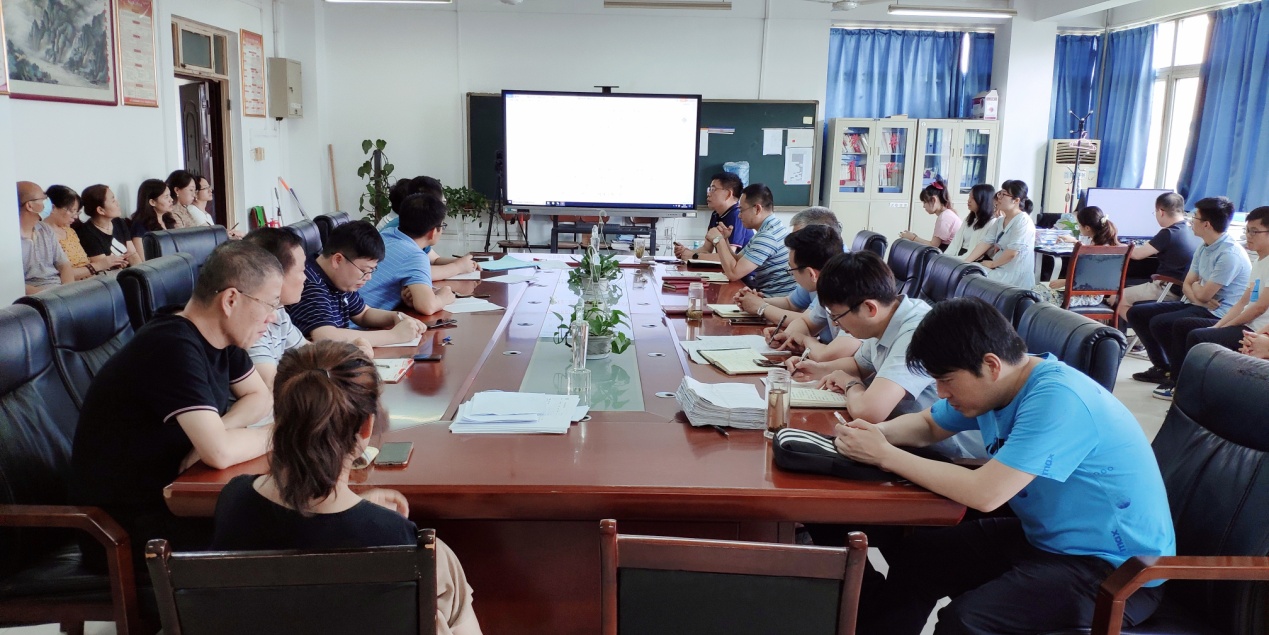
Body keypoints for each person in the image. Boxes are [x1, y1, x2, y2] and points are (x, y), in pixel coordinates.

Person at [833, 296, 1173, 635]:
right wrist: (873, 435)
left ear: (991, 365)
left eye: (946, 380)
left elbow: (986, 493)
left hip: (1118, 573)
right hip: (1045, 539)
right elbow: (929, 425)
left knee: (965, 621)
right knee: (919, 559)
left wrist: (885, 455)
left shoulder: (1058, 399)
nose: (940, 392)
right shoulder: (1002, 387)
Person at [210, 341, 482, 635]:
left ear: (279, 418)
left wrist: (363, 512)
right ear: (366, 428)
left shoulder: (234, 500)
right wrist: (368, 517)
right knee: (444, 568)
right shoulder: (396, 538)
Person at [71, 241, 281, 571]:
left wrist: (219, 431)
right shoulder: (171, 346)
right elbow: (220, 453)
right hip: (123, 530)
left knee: (282, 520)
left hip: (170, 501)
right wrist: (285, 432)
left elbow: (259, 396)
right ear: (230, 300)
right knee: (282, 529)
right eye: (270, 304)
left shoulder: (219, 335)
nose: (273, 317)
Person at [1127, 196, 1250, 395]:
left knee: (1164, 323)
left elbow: (1204, 293)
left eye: (1194, 218)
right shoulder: (1204, 246)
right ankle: (1163, 367)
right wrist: (1197, 292)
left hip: (1218, 312)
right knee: (1137, 313)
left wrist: (1197, 290)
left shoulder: (1229, 254)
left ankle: (1177, 378)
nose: (1190, 221)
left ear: (1207, 224)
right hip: (1199, 304)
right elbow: (1187, 284)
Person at [1146, 206, 1269, 401]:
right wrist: (1220, 327)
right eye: (1247, 230)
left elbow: (1259, 307)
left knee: (1197, 336)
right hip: (1244, 324)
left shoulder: (1237, 255)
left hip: (1255, 329)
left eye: (1254, 231)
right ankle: (1177, 382)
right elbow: (1242, 303)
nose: (1248, 235)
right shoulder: (1259, 262)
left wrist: (1225, 327)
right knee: (1181, 326)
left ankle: (1187, 392)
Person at [286, 220, 428, 346]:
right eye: (364, 270)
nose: (368, 277)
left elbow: (363, 314)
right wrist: (394, 336)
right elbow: (325, 336)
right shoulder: (310, 284)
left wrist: (396, 317)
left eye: (372, 270)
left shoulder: (337, 279)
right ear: (338, 260)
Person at [735, 207, 841, 338]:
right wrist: (755, 301)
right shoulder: (821, 278)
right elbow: (795, 307)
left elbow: (840, 347)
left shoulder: (840, 284)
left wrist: (761, 307)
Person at [359, 193, 457, 314]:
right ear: (432, 232)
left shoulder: (387, 233)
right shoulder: (414, 255)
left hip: (347, 314)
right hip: (358, 322)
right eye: (442, 226)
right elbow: (427, 307)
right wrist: (444, 297)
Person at [1116, 192, 1200, 321]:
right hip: (1184, 290)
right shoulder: (1192, 230)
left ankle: (1144, 330)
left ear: (1161, 212)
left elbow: (1137, 254)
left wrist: (1117, 244)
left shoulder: (1169, 233)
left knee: (1116, 297)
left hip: (1167, 288)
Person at [382, 176, 479, 281]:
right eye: (442, 202)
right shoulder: (401, 229)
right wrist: (458, 267)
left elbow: (434, 259)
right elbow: (419, 271)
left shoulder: (407, 227)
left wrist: (463, 263)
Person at [710, 183, 797, 296]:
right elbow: (737, 260)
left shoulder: (767, 236)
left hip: (774, 300)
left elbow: (733, 274)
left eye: (741, 210)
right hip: (766, 296)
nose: (739, 216)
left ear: (757, 209)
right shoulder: (770, 227)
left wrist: (718, 240)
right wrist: (725, 240)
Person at [1035, 206, 1120, 308]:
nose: (1078, 227)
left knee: (1036, 295)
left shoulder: (1097, 250)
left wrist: (1065, 282)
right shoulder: (1099, 245)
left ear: (1087, 228)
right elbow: (1087, 250)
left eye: (1079, 225)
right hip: (1084, 292)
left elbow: (1092, 278)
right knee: (1036, 291)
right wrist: (1074, 241)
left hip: (1087, 296)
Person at [43, 185, 126, 279]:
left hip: (92, 279)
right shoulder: (43, 236)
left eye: (77, 212)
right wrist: (98, 266)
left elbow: (84, 262)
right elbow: (59, 275)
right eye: (72, 211)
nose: (75, 216)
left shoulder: (70, 231)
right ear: (53, 208)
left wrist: (111, 263)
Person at [966, 180, 1035, 289]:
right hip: (1000, 269)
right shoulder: (1000, 221)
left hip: (1014, 276)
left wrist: (993, 264)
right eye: (999, 193)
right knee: (967, 270)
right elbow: (985, 242)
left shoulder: (1023, 221)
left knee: (972, 276)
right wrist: (966, 262)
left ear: (1016, 200)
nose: (999, 197)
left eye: (1004, 194)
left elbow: (1012, 253)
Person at [674, 172, 754, 260]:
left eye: (713, 189)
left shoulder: (737, 215)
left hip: (744, 268)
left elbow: (728, 257)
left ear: (728, 194)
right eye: (709, 189)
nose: (708, 194)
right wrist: (686, 252)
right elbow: (706, 249)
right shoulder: (716, 214)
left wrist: (692, 256)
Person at [18, 180, 73, 295]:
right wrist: (51, 296)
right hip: (33, 297)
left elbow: (64, 265)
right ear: (29, 206)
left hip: (60, 291)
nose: (49, 203)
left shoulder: (45, 229)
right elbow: (12, 283)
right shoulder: (9, 239)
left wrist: (69, 291)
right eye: (44, 198)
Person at [75, 184, 144, 267]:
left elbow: (132, 254)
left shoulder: (119, 222)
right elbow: (104, 267)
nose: (118, 203)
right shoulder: (86, 234)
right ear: (100, 210)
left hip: (130, 272)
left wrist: (142, 272)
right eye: (113, 200)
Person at [899, 178, 961, 252]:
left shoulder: (944, 217)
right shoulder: (948, 214)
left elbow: (933, 246)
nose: (923, 206)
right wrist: (914, 237)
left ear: (933, 200)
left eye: (925, 202)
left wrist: (913, 238)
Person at [130, 178, 181, 255]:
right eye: (166, 197)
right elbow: (143, 258)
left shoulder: (168, 220)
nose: (171, 200)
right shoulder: (140, 226)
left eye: (170, 195)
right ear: (152, 202)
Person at [946, 184, 997, 259]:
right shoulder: (969, 219)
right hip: (959, 255)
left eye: (973, 198)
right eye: (969, 196)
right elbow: (955, 242)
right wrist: (945, 257)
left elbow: (978, 252)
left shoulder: (992, 222)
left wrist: (956, 260)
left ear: (983, 200)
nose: (969, 200)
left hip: (973, 259)